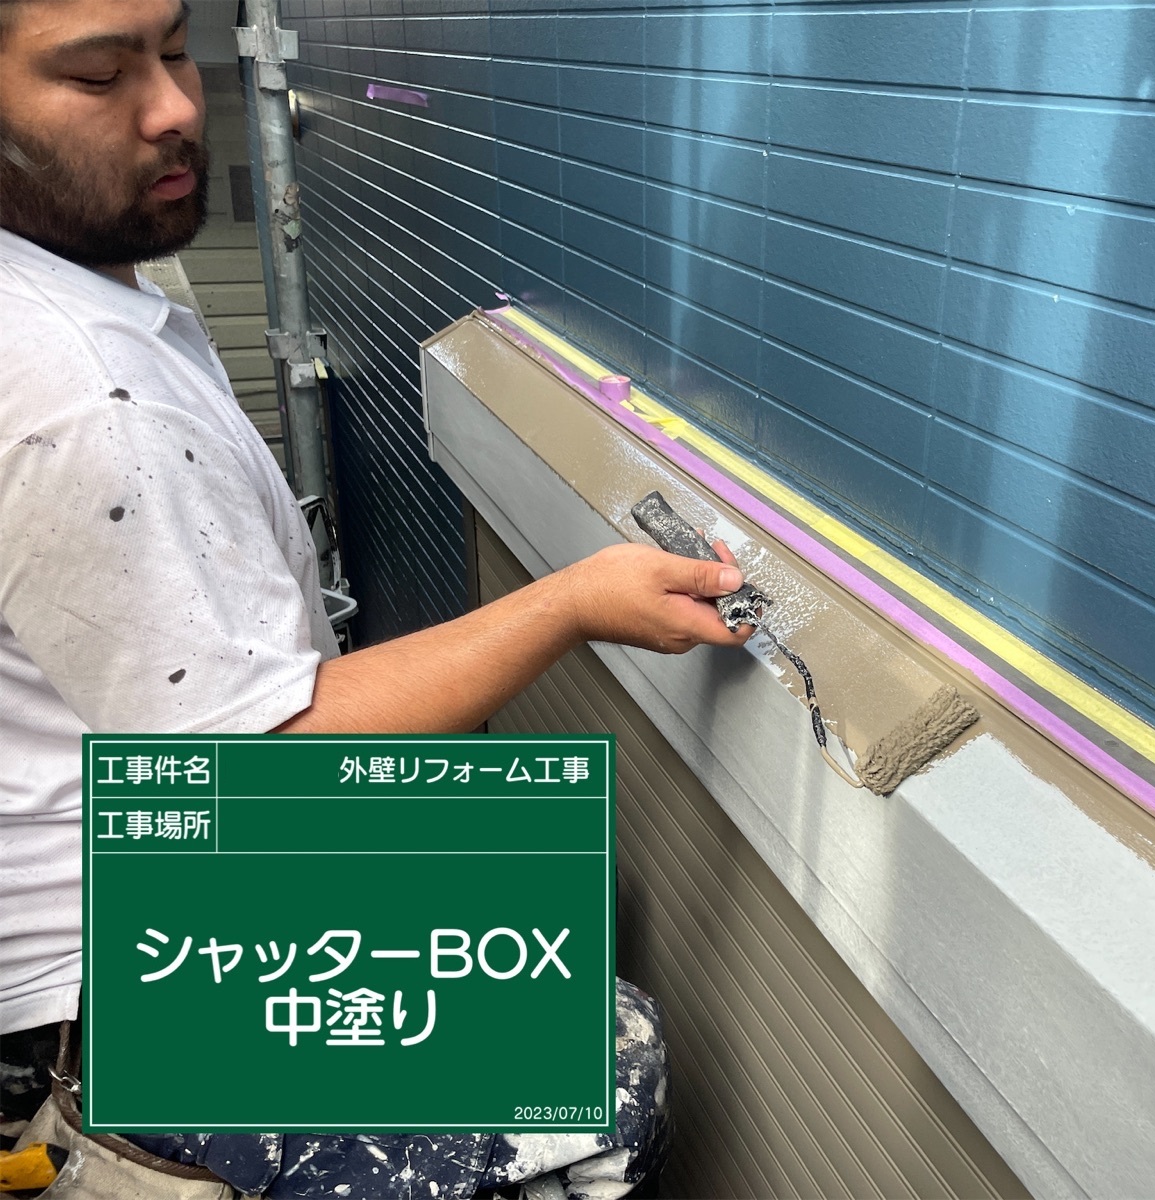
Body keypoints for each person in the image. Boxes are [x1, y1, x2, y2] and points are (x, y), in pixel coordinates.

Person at [0, 0, 749, 1193]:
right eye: (98, 77)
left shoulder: (67, 295)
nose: (178, 107)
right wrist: (569, 605)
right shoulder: (81, 396)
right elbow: (256, 762)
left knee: (558, 892)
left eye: (174, 47)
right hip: (92, 995)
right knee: (605, 1063)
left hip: (134, 862)